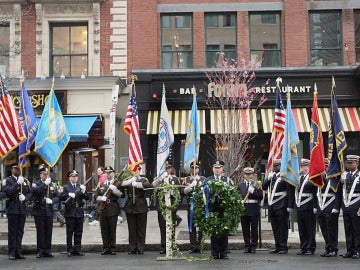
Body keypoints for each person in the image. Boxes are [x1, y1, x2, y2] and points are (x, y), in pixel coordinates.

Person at [262, 159, 295, 254]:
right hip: (272, 205)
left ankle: (283, 247)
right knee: (275, 227)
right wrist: (268, 178)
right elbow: (264, 187)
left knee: (282, 227)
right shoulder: (272, 177)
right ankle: (277, 246)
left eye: (277, 165)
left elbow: (290, 191)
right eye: (274, 165)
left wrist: (290, 205)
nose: (275, 167)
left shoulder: (285, 176)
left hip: (282, 204)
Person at [205, 159, 233, 260]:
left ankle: (224, 253)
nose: (217, 170)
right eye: (215, 168)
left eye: (219, 168)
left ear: (222, 169)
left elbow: (232, 195)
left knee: (224, 232)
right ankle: (214, 253)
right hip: (212, 209)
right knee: (214, 232)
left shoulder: (227, 180)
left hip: (223, 209)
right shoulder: (208, 180)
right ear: (213, 169)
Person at [2, 164, 32, 260]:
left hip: (22, 209)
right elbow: (8, 192)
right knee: (12, 232)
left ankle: (18, 252)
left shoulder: (25, 180)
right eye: (16, 169)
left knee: (20, 232)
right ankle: (12, 252)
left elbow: (30, 193)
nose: (18, 170)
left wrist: (25, 198)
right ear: (12, 170)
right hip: (13, 208)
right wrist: (17, 184)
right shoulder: (8, 180)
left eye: (19, 169)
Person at [120, 166, 151, 254]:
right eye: (134, 170)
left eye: (137, 170)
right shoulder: (129, 179)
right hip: (130, 206)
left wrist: (137, 184)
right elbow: (121, 184)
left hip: (141, 205)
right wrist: (130, 181)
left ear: (140, 170)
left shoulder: (144, 179)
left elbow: (148, 186)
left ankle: (140, 247)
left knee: (141, 229)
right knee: (132, 229)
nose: (136, 172)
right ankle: (132, 247)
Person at [60, 170, 89, 257]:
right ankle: (69, 249)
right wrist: (67, 194)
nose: (74, 177)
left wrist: (84, 192)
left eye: (76, 176)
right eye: (73, 176)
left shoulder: (80, 186)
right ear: (69, 178)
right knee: (70, 232)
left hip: (79, 211)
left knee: (78, 232)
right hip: (70, 212)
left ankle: (77, 249)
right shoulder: (65, 187)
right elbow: (60, 197)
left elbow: (88, 197)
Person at [152, 162, 180, 255]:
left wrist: (172, 192)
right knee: (163, 228)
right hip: (162, 207)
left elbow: (179, 192)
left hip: (171, 207)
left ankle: (172, 245)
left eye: (169, 168)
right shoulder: (159, 179)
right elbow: (153, 187)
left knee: (171, 227)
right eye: (166, 168)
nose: (167, 170)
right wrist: (160, 179)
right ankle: (164, 246)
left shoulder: (175, 179)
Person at [31, 166, 59, 258]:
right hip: (39, 210)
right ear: (40, 175)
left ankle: (47, 250)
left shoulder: (52, 185)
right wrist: (44, 185)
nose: (45, 176)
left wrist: (52, 201)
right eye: (43, 174)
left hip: (49, 211)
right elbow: (35, 192)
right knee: (40, 232)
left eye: (46, 174)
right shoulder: (36, 183)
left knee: (48, 231)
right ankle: (40, 251)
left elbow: (56, 197)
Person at [94, 165, 122, 255]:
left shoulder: (117, 183)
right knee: (104, 230)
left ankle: (113, 248)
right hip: (103, 209)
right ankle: (105, 247)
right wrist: (100, 198)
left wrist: (115, 191)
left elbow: (122, 195)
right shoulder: (101, 184)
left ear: (113, 173)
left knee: (112, 229)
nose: (108, 174)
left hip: (113, 208)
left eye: (110, 172)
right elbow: (95, 196)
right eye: (107, 172)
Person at [316, 158, 341, 257]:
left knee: (332, 230)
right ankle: (328, 247)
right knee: (324, 230)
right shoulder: (320, 178)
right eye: (323, 166)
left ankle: (333, 249)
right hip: (321, 207)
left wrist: (336, 207)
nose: (325, 168)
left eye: (326, 166)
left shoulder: (334, 178)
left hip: (331, 207)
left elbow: (338, 194)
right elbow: (316, 193)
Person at [237, 167, 263, 254]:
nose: (248, 176)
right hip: (244, 208)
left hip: (254, 208)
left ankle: (253, 246)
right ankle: (247, 245)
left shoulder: (256, 184)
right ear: (244, 175)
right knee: (245, 229)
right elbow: (237, 195)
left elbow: (260, 197)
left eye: (250, 174)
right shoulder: (240, 185)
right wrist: (238, 201)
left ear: (252, 175)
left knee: (254, 229)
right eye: (247, 174)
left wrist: (253, 192)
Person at [295, 158, 317, 255]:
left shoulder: (312, 178)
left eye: (302, 166)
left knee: (310, 228)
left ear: (307, 167)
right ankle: (303, 246)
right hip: (300, 205)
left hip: (309, 205)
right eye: (301, 166)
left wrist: (315, 206)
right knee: (302, 228)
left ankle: (311, 247)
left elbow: (315, 192)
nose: (300, 168)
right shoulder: (299, 178)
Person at [183, 163, 206, 254]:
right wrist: (191, 186)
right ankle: (193, 246)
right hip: (191, 205)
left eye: (196, 168)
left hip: (200, 205)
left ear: (198, 169)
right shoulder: (186, 179)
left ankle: (199, 245)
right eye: (192, 168)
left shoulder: (203, 179)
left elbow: (206, 190)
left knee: (201, 226)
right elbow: (183, 191)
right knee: (191, 226)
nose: (194, 170)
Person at [341, 155, 360, 259]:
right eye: (348, 163)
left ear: (357, 163)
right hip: (346, 206)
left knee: (357, 230)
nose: (349, 165)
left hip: (356, 206)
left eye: (351, 163)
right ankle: (350, 250)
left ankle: (357, 251)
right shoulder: (345, 175)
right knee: (348, 229)